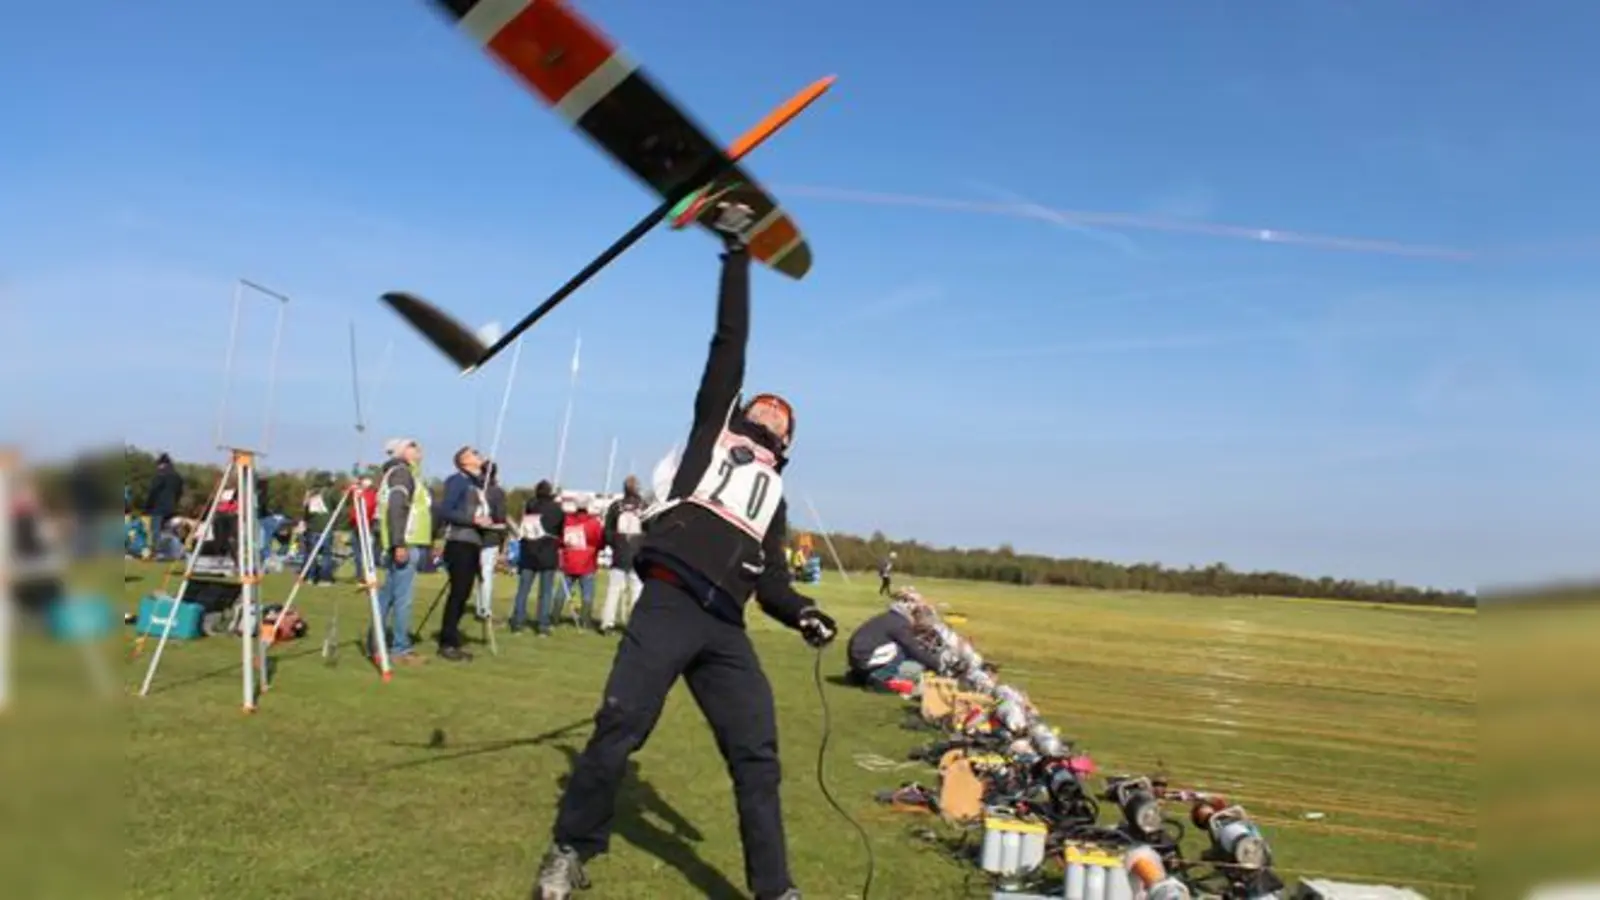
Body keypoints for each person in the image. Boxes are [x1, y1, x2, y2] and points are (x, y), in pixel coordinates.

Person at [535, 204, 838, 900]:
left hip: (726, 629)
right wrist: (737, 253)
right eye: (762, 405)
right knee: (621, 726)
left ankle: (776, 891)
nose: (772, 412)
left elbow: (774, 587)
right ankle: (570, 851)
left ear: (788, 443)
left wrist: (805, 614)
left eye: (783, 416)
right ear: (738, 414)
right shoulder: (710, 436)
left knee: (757, 757)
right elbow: (728, 342)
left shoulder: (774, 502)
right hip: (671, 600)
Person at [374, 438, 431, 666]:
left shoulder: (405, 473)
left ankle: (376, 641)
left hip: (403, 541)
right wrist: (399, 543)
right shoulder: (401, 474)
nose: (418, 449)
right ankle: (400, 648)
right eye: (412, 445)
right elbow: (397, 507)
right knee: (402, 599)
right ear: (401, 452)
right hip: (406, 541)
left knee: (387, 596)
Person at [434, 446, 492, 662]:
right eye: (474, 453)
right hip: (459, 542)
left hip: (473, 542)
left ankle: (451, 635)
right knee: (458, 593)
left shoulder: (477, 484)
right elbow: (446, 510)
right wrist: (473, 521)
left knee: (464, 593)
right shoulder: (458, 480)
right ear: (464, 461)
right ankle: (447, 642)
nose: (479, 454)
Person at [845, 587, 944, 693]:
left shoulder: (890, 618)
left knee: (903, 653)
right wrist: (937, 666)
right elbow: (913, 650)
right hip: (866, 659)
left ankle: (859, 676)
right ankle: (879, 679)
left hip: (861, 659)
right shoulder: (899, 624)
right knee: (904, 655)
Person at [511, 480, 564, 635]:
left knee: (523, 590)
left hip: (529, 552)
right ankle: (542, 626)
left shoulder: (530, 506)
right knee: (545, 592)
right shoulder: (556, 509)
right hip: (547, 554)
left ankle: (517, 623)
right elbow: (561, 530)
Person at [598, 475, 646, 634]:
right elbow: (651, 531)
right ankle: (636, 625)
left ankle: (607, 623)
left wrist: (616, 543)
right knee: (636, 592)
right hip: (638, 555)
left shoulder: (616, 506)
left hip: (619, 554)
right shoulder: (644, 507)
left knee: (614, 591)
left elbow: (607, 531)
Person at [557, 497, 604, 630]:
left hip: (569, 561)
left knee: (562, 591)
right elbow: (599, 541)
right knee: (587, 593)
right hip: (587, 562)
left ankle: (554, 617)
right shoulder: (594, 523)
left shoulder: (567, 521)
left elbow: (561, 539)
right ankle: (585, 621)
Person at [474, 459, 509, 623]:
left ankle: (478, 606)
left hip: (473, 535)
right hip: (490, 536)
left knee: (477, 573)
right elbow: (500, 517)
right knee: (486, 573)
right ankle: (485, 609)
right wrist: (504, 540)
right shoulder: (497, 492)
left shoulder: (474, 487)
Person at [143, 452, 183, 556]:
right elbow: (179, 493)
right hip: (172, 508)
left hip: (158, 508)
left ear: (162, 464)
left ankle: (157, 552)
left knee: (156, 531)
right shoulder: (177, 477)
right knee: (170, 531)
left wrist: (147, 507)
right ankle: (173, 551)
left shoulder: (160, 475)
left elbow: (153, 492)